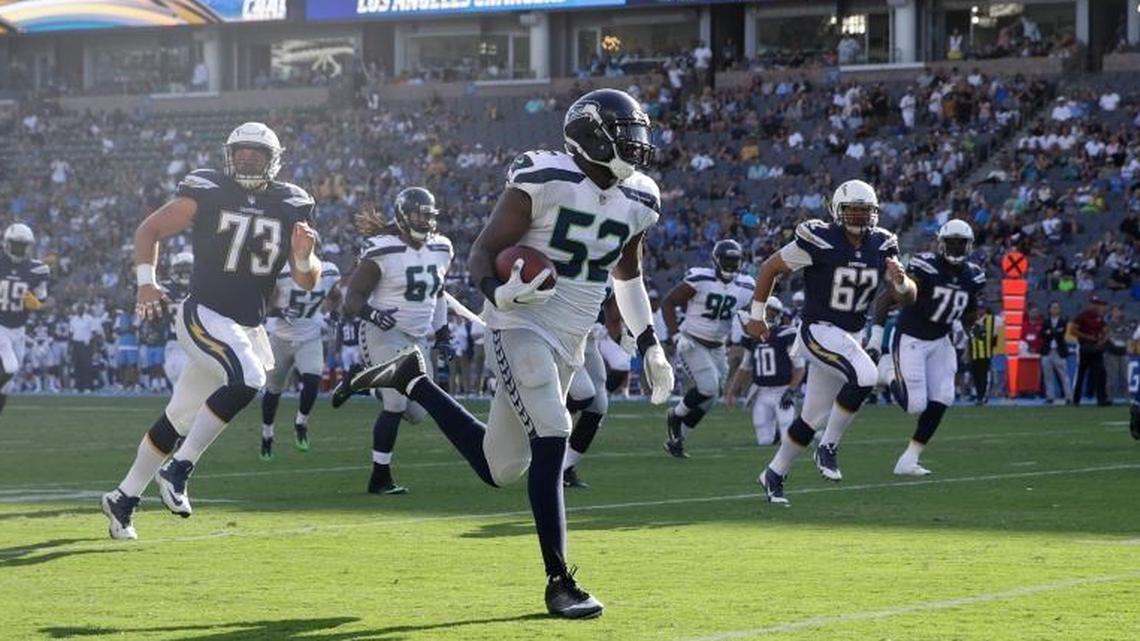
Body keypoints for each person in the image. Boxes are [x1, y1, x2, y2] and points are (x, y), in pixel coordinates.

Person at [332, 89, 674, 618]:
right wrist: (498, 293)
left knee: (501, 468)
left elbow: (629, 277)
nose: (636, 144)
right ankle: (560, 581)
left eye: (638, 132)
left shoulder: (641, 197)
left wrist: (650, 342)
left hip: (571, 336)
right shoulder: (544, 178)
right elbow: (481, 255)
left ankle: (412, 379)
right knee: (555, 428)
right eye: (624, 133)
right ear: (590, 137)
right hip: (519, 323)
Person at [101, 122, 320, 540]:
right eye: (241, 152)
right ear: (228, 155)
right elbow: (149, 229)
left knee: (180, 415)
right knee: (250, 379)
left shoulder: (292, 202)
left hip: (246, 324)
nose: (248, 158)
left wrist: (304, 257)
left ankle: (123, 498)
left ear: (273, 159)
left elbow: (306, 278)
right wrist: (146, 280)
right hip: (205, 312)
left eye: (257, 152)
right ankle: (180, 468)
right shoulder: (208, 189)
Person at [744, 179, 916, 505]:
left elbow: (905, 297)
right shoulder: (819, 239)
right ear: (838, 210)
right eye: (851, 210)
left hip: (849, 335)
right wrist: (757, 315)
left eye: (864, 211)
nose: (857, 216)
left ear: (874, 213)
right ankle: (829, 446)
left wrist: (902, 282)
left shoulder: (882, 244)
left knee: (812, 417)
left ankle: (773, 473)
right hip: (818, 330)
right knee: (866, 376)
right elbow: (770, 268)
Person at [329, 187, 452, 495]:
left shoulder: (442, 248)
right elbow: (352, 298)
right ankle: (379, 478)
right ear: (401, 216)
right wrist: (372, 314)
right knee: (396, 404)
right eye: (417, 216)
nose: (424, 223)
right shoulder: (382, 250)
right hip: (382, 332)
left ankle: (362, 378)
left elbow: (438, 296)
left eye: (428, 216)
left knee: (417, 413)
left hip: (417, 337)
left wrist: (443, 335)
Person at [872, 220, 985, 475]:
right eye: (951, 242)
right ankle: (887, 369)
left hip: (940, 340)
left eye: (960, 243)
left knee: (944, 397)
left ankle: (909, 459)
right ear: (941, 243)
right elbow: (886, 298)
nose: (955, 247)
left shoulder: (974, 275)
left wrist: (972, 327)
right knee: (914, 405)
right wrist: (876, 339)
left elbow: (967, 312)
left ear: (969, 246)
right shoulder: (925, 266)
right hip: (911, 337)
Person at [661, 239, 755, 457]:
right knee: (709, 386)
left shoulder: (745, 285)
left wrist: (749, 317)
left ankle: (678, 439)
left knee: (710, 398)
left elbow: (752, 313)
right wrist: (675, 335)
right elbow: (668, 302)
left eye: (735, 261)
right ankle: (674, 416)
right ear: (716, 260)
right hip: (692, 340)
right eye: (727, 260)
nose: (731, 265)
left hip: (718, 346)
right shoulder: (701, 278)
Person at [259, 254, 340, 460]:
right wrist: (280, 311)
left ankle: (301, 423)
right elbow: (264, 306)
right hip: (281, 338)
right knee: (273, 390)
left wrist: (333, 314)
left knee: (312, 379)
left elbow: (335, 296)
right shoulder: (280, 271)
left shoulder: (328, 270)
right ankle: (267, 435)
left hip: (309, 337)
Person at [725, 297, 804, 446]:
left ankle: (806, 435)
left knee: (788, 438)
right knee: (764, 440)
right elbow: (744, 367)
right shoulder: (752, 338)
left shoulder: (785, 334)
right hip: (761, 392)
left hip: (782, 390)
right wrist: (732, 391)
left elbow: (799, 368)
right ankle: (780, 437)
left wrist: (791, 390)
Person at [562, 295, 622, 488]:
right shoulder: (560, 265)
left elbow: (613, 311)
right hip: (560, 338)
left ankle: (565, 467)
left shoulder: (609, 271)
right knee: (583, 393)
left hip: (588, 340)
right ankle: (540, 428)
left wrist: (623, 338)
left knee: (598, 406)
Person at [0, 223, 50, 417]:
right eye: (16, 245)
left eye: (23, 246)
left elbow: (43, 299)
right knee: (10, 367)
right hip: (0, 325)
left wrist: (37, 304)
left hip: (18, 330)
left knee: (8, 386)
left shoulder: (36, 269)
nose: (20, 249)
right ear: (7, 243)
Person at [1069, 295, 1109, 406]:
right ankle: (1076, 399)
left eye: (1097, 304)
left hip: (1096, 348)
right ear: (1089, 304)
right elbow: (1072, 330)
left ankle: (1102, 399)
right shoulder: (1082, 316)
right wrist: (1087, 337)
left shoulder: (1099, 317)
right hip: (1085, 348)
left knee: (1100, 373)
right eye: (1094, 303)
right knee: (1081, 374)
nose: (1095, 306)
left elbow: (1105, 330)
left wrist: (1103, 340)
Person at [1039, 301, 1072, 404]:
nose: (1054, 309)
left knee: (1064, 374)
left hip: (1059, 351)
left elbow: (1060, 333)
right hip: (1047, 351)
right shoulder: (1045, 322)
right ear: (1049, 310)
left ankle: (1069, 396)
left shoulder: (1063, 321)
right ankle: (1050, 396)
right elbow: (1043, 334)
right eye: (1053, 307)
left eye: (1056, 307)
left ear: (1060, 310)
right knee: (1048, 375)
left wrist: (1051, 332)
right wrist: (1053, 332)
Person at [967, 306, 998, 404]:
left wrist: (993, 348)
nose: (980, 310)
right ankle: (979, 396)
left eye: (982, 308)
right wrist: (967, 352)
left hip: (986, 353)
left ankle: (983, 396)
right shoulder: (972, 319)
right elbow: (968, 338)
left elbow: (995, 336)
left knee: (984, 376)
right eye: (978, 308)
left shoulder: (992, 320)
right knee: (976, 376)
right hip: (974, 353)